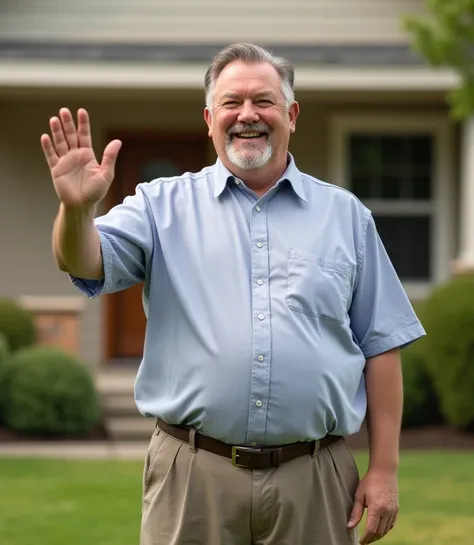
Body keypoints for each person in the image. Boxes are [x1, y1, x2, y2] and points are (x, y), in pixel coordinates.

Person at [41, 43, 425, 545]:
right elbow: (84, 260)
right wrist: (75, 212)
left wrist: (385, 471)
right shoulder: (161, 206)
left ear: (291, 114)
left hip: (314, 475)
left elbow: (382, 343)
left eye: (263, 101)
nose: (248, 115)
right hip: (193, 473)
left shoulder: (346, 217)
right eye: (231, 102)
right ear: (209, 118)